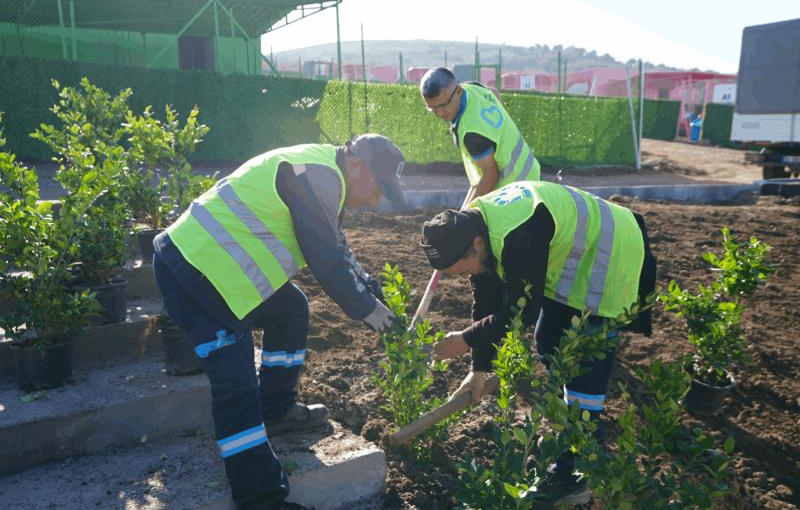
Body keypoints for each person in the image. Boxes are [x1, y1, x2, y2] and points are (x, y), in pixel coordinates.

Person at [152, 134, 406, 509]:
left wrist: (380, 300)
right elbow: (328, 263)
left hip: (217, 273)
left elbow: (339, 250)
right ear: (356, 165)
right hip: (194, 274)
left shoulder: (324, 174)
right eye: (378, 187)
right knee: (236, 388)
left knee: (290, 308)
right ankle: (261, 498)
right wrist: (374, 316)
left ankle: (275, 407)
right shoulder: (318, 176)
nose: (376, 199)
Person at [418, 180, 656, 507]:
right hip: (575, 262)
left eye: (464, 268)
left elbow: (520, 313)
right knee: (548, 341)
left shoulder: (519, 235)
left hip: (610, 256)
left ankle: (578, 474)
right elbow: (488, 299)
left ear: (475, 244)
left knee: (583, 359)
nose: (464, 275)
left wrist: (466, 339)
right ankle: (570, 425)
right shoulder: (478, 225)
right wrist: (478, 369)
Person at [420, 67, 541, 203]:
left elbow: (490, 177)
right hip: (530, 170)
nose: (440, 113)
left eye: (443, 105)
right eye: (432, 108)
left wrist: (465, 216)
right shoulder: (472, 88)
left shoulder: (472, 133)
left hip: (516, 189)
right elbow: (493, 93)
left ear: (458, 91)